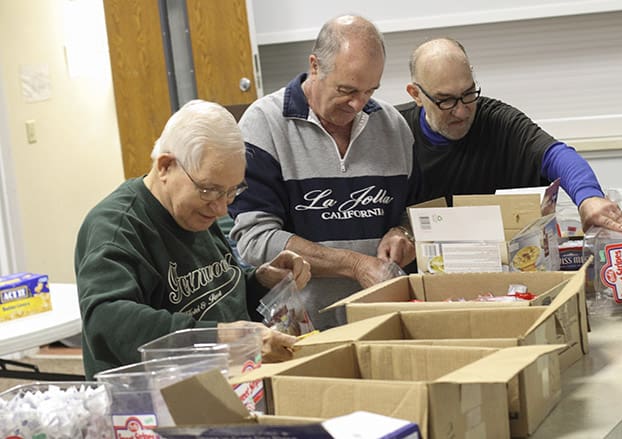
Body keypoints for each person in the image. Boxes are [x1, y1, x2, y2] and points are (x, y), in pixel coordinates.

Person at [74, 99, 311, 380]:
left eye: (232, 191)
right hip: (151, 409)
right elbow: (106, 321)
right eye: (209, 190)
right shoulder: (115, 227)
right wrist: (224, 338)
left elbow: (218, 296)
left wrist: (261, 282)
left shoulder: (195, 211)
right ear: (165, 166)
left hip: (230, 382)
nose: (222, 208)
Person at [228, 15, 422, 330]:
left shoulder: (393, 126)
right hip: (301, 333)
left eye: (369, 91)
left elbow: (413, 214)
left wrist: (403, 235)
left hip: (382, 322)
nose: (359, 104)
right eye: (347, 90)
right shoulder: (263, 125)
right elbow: (256, 241)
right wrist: (354, 264)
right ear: (315, 66)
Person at [398, 37, 622, 233]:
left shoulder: (498, 121)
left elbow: (557, 156)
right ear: (416, 94)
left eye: (468, 93)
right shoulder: (393, 132)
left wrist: (589, 198)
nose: (461, 111)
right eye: (446, 100)